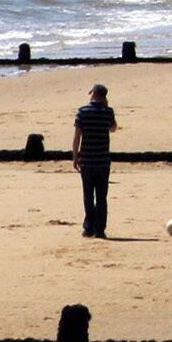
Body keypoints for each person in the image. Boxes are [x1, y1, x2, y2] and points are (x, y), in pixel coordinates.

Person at [72, 84, 118, 239]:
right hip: (103, 159)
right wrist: (106, 107)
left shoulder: (83, 112)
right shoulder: (108, 112)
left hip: (87, 159)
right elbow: (113, 128)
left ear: (92, 94)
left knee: (88, 195)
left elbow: (77, 135)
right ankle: (100, 229)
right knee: (101, 196)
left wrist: (75, 155)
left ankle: (88, 227)